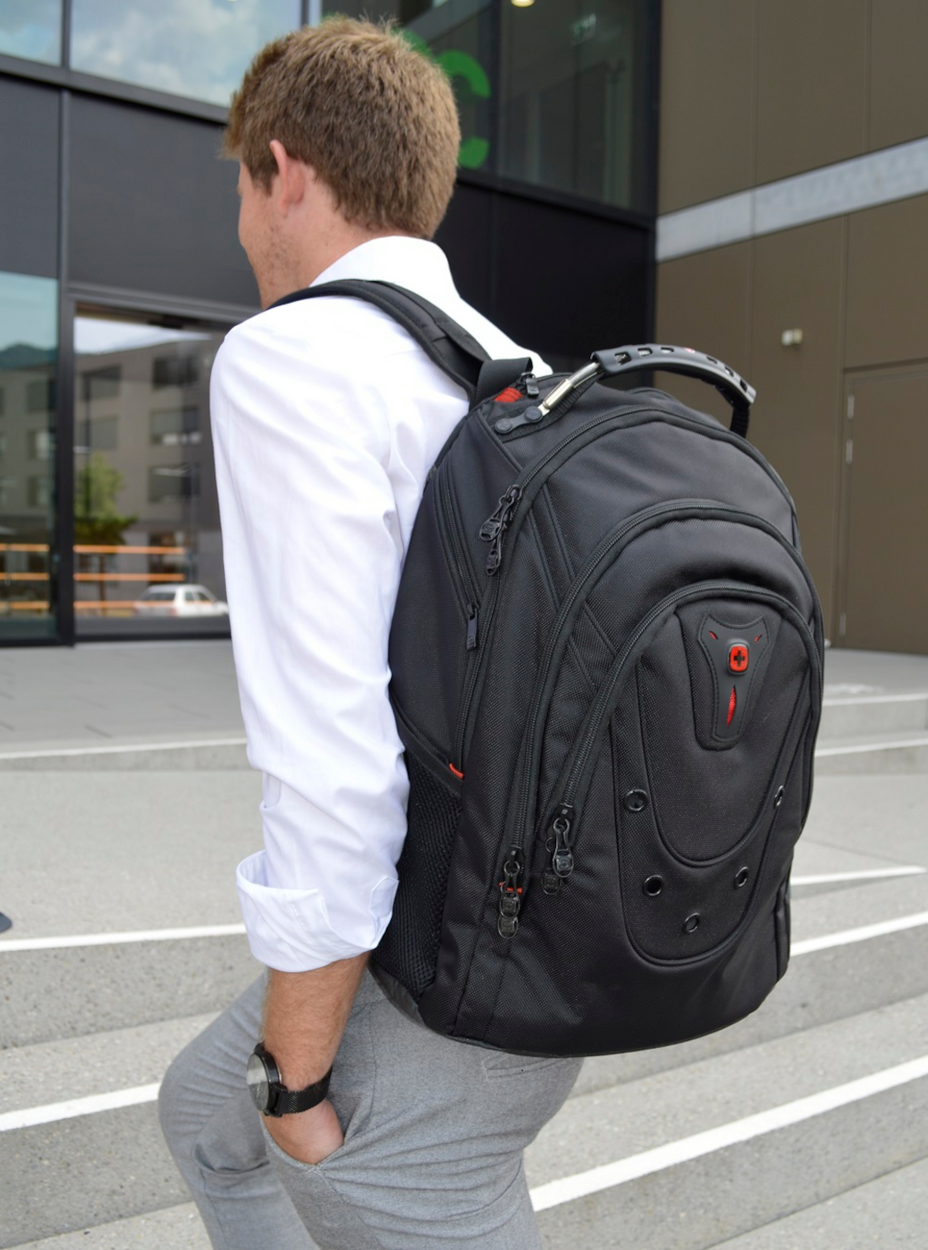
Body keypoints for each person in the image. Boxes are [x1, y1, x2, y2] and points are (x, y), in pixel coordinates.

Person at [158, 18, 582, 1250]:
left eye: (243, 188)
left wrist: (296, 1079)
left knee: (289, 1134)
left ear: (282, 170)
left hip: (458, 973)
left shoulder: (294, 359)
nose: (243, 227)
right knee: (202, 1109)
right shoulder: (517, 368)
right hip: (565, 919)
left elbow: (332, 753)